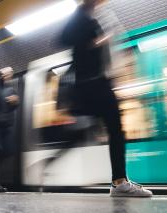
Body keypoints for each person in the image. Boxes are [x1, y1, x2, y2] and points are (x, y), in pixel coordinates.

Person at [60, 0, 152, 197]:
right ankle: (119, 182)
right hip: (94, 84)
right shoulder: (81, 17)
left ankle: (118, 181)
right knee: (115, 130)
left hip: (98, 83)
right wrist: (97, 41)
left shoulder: (91, 17)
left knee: (108, 129)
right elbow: (64, 39)